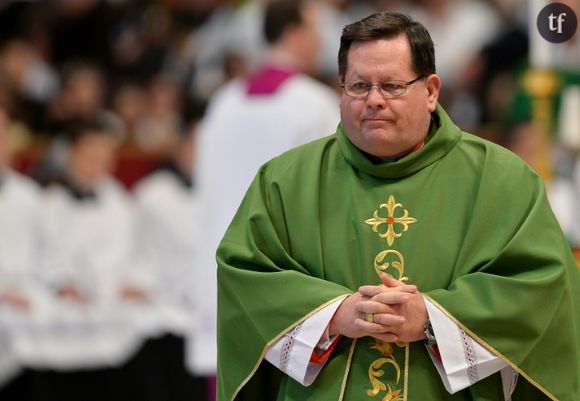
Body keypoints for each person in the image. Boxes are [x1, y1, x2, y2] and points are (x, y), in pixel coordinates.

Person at [216, 11, 580, 401]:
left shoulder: (503, 180)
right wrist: (334, 315)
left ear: (431, 91)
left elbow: (542, 290)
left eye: (391, 85)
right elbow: (245, 279)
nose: (373, 100)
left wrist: (430, 318)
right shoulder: (285, 181)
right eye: (358, 86)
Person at [189, 0, 339, 378]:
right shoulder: (315, 104)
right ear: (292, 32)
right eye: (315, 30)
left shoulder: (223, 102)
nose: (322, 41)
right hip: (285, 275)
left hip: (224, 266)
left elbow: (205, 192)